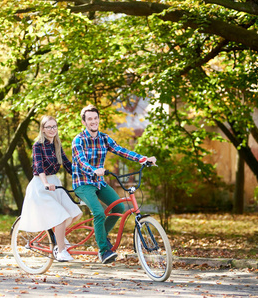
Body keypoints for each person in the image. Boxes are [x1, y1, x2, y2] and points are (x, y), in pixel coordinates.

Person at [72, 104, 156, 264]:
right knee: (98, 213)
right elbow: (81, 161)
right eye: (89, 119)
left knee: (119, 207)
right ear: (84, 122)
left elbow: (121, 150)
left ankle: (101, 236)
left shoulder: (104, 138)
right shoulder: (78, 140)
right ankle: (103, 250)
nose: (93, 121)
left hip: (99, 182)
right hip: (83, 183)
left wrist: (143, 159)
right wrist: (93, 170)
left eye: (95, 118)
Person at [18, 115, 82, 262]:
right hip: (41, 185)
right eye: (49, 127)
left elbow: (68, 165)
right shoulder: (38, 145)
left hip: (55, 183)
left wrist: (84, 175)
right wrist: (45, 183)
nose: (52, 129)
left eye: (54, 126)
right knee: (61, 217)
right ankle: (60, 251)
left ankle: (58, 237)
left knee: (75, 213)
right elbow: (38, 166)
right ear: (43, 129)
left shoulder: (57, 145)